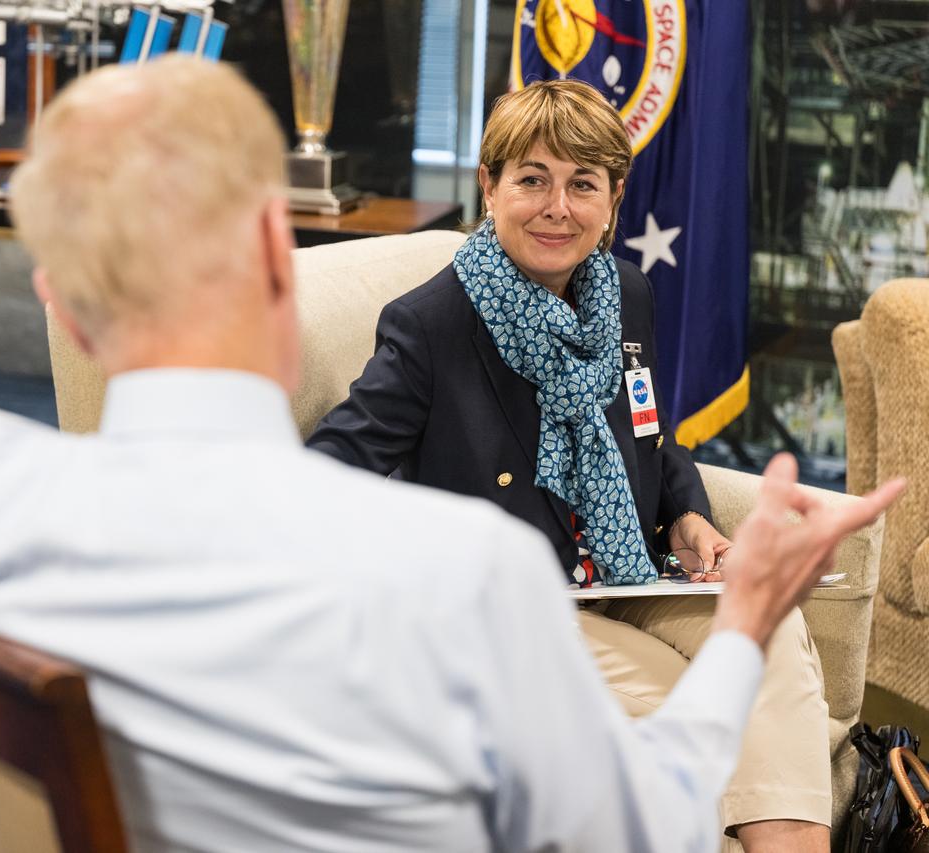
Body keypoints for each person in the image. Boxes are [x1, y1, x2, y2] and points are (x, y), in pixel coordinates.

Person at [0, 58, 901, 853]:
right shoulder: (464, 570)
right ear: (275, 252)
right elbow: (642, 827)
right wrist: (741, 619)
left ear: (59, 300)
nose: (560, 206)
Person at [306, 80, 832, 851]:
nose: (557, 207)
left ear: (614, 198)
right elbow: (326, 471)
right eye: (531, 179)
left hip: (623, 573)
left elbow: (651, 434)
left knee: (772, 632)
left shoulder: (626, 293)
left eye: (582, 184)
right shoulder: (430, 325)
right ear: (489, 187)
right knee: (721, 699)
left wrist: (685, 512)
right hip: (514, 612)